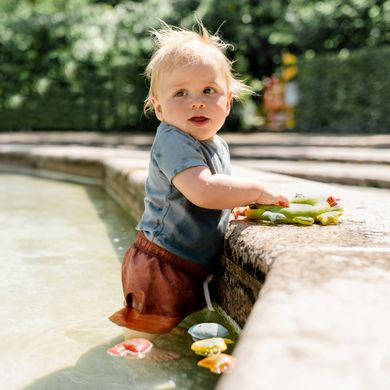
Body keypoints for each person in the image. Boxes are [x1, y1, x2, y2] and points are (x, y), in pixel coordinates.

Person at [109, 21, 289, 341]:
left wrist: (233, 209)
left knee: (175, 331)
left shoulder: (216, 143)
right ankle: (137, 355)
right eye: (181, 92)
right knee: (146, 335)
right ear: (159, 107)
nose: (197, 101)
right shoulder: (172, 139)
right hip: (162, 262)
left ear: (228, 101)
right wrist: (255, 192)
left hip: (186, 262)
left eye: (209, 90)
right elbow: (203, 190)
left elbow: (217, 195)